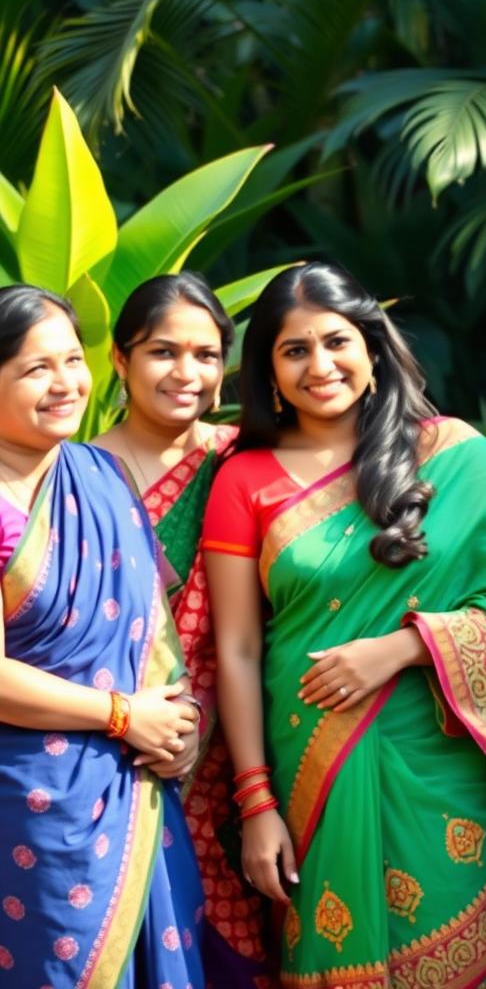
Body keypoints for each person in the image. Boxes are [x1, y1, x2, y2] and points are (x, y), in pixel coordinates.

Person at [201, 262, 486, 988]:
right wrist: (255, 803)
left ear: (372, 350)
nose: (319, 366)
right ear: (268, 373)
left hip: (453, 771)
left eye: (336, 341)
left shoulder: (457, 457)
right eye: (294, 350)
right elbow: (238, 650)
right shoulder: (244, 480)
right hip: (310, 772)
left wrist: (404, 648)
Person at [0, 284, 204, 985]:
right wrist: (125, 717)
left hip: (138, 793)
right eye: (36, 369)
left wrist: (180, 725)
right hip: (28, 811)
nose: (66, 385)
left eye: (71, 360)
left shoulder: (102, 477)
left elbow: (150, 636)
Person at [94, 272, 273, 985]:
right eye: (163, 352)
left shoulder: (249, 462)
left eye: (206, 355)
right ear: (119, 359)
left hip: (246, 752)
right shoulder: (71, 473)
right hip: (112, 754)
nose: (187, 373)